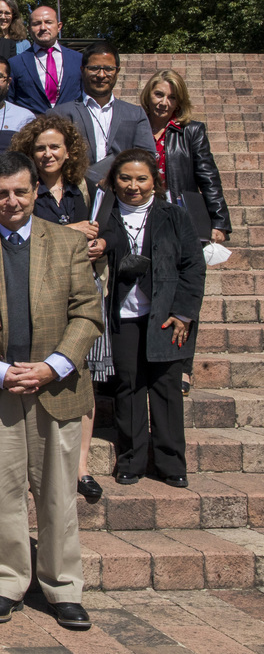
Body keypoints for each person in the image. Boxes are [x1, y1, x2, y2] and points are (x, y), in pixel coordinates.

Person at [0, 151, 102, 631]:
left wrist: (52, 368)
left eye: (20, 191)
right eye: (1, 194)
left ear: (36, 190)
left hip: (55, 388)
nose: (11, 201)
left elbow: (86, 312)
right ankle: (7, 584)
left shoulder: (67, 243)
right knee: (4, 494)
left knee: (58, 496)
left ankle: (63, 588)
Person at [10, 114, 108, 499]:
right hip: (38, 292)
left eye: (55, 147)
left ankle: (81, 467)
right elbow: (19, 231)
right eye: (40, 148)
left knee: (81, 375)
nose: (48, 154)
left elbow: (108, 229)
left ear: (69, 151)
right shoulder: (23, 188)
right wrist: (71, 234)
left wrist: (102, 245)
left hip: (82, 290)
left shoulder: (85, 188)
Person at [99, 149, 205, 489]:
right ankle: (132, 459)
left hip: (167, 315)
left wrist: (183, 313)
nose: (134, 186)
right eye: (125, 178)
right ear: (114, 181)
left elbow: (193, 266)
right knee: (129, 387)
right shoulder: (104, 215)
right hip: (123, 315)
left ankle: (171, 461)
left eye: (141, 178)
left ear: (154, 181)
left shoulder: (173, 216)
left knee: (166, 388)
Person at [141, 68, 229, 397]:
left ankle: (183, 367)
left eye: (172, 96)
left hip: (179, 220)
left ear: (180, 100)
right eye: (159, 94)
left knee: (184, 294)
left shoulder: (190, 132)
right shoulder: (134, 126)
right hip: (141, 217)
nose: (164, 102)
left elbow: (208, 176)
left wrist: (219, 221)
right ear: (148, 95)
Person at [59, 41, 155, 168]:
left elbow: (147, 159)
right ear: (82, 70)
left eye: (109, 69)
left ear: (117, 71)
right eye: (94, 68)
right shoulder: (60, 114)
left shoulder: (135, 115)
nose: (101, 75)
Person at [8, 6, 83, 113]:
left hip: (70, 125)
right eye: (37, 23)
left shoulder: (78, 59)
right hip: (31, 126)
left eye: (48, 22)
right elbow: (10, 102)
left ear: (59, 26)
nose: (43, 27)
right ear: (29, 29)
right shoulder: (15, 63)